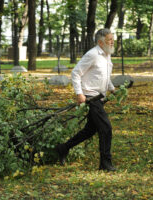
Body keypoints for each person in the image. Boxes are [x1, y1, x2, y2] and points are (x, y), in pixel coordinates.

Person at [56, 28, 116, 171]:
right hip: (90, 97)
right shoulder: (92, 55)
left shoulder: (107, 55)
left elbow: (103, 76)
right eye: (109, 40)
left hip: (99, 97)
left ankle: (63, 148)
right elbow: (76, 73)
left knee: (90, 130)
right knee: (106, 128)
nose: (112, 42)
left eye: (113, 39)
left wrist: (112, 88)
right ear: (101, 42)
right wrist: (79, 94)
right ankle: (105, 164)